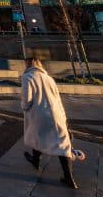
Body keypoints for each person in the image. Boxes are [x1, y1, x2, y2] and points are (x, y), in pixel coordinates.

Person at [21, 57, 79, 189]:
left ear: (28, 65)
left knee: (37, 135)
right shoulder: (49, 78)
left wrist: (24, 107)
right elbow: (58, 99)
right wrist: (64, 118)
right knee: (62, 145)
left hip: (40, 116)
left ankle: (36, 161)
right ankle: (69, 177)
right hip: (56, 115)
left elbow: (26, 101)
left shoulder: (27, 77)